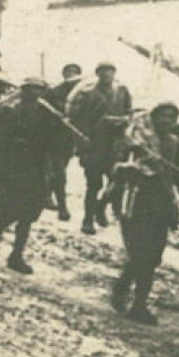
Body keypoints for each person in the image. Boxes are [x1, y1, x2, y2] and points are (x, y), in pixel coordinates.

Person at [108, 103, 179, 324]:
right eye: (163, 116)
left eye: (171, 117)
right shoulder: (136, 141)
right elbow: (114, 166)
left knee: (152, 257)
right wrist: (127, 168)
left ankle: (126, 291)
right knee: (141, 254)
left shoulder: (174, 143)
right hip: (135, 202)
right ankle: (138, 304)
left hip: (160, 205)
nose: (167, 121)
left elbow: (176, 175)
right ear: (154, 117)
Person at [0, 76, 61, 274]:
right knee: (11, 209)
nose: (34, 94)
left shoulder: (45, 112)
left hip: (35, 167)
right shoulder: (9, 111)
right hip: (12, 167)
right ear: (22, 91)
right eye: (30, 89)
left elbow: (53, 140)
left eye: (38, 90)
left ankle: (16, 255)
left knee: (29, 214)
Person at [67, 62, 133, 234]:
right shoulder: (87, 94)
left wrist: (122, 122)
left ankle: (101, 207)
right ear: (97, 74)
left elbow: (129, 114)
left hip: (116, 146)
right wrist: (83, 145)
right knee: (93, 184)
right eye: (103, 72)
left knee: (117, 182)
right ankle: (88, 220)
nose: (106, 75)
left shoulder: (122, 91)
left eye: (110, 72)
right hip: (95, 145)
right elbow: (78, 122)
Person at [46, 63, 85, 221]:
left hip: (69, 139)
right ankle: (62, 208)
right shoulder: (55, 91)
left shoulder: (82, 93)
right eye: (69, 72)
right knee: (59, 173)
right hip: (53, 137)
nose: (72, 75)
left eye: (75, 72)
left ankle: (46, 195)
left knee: (59, 170)